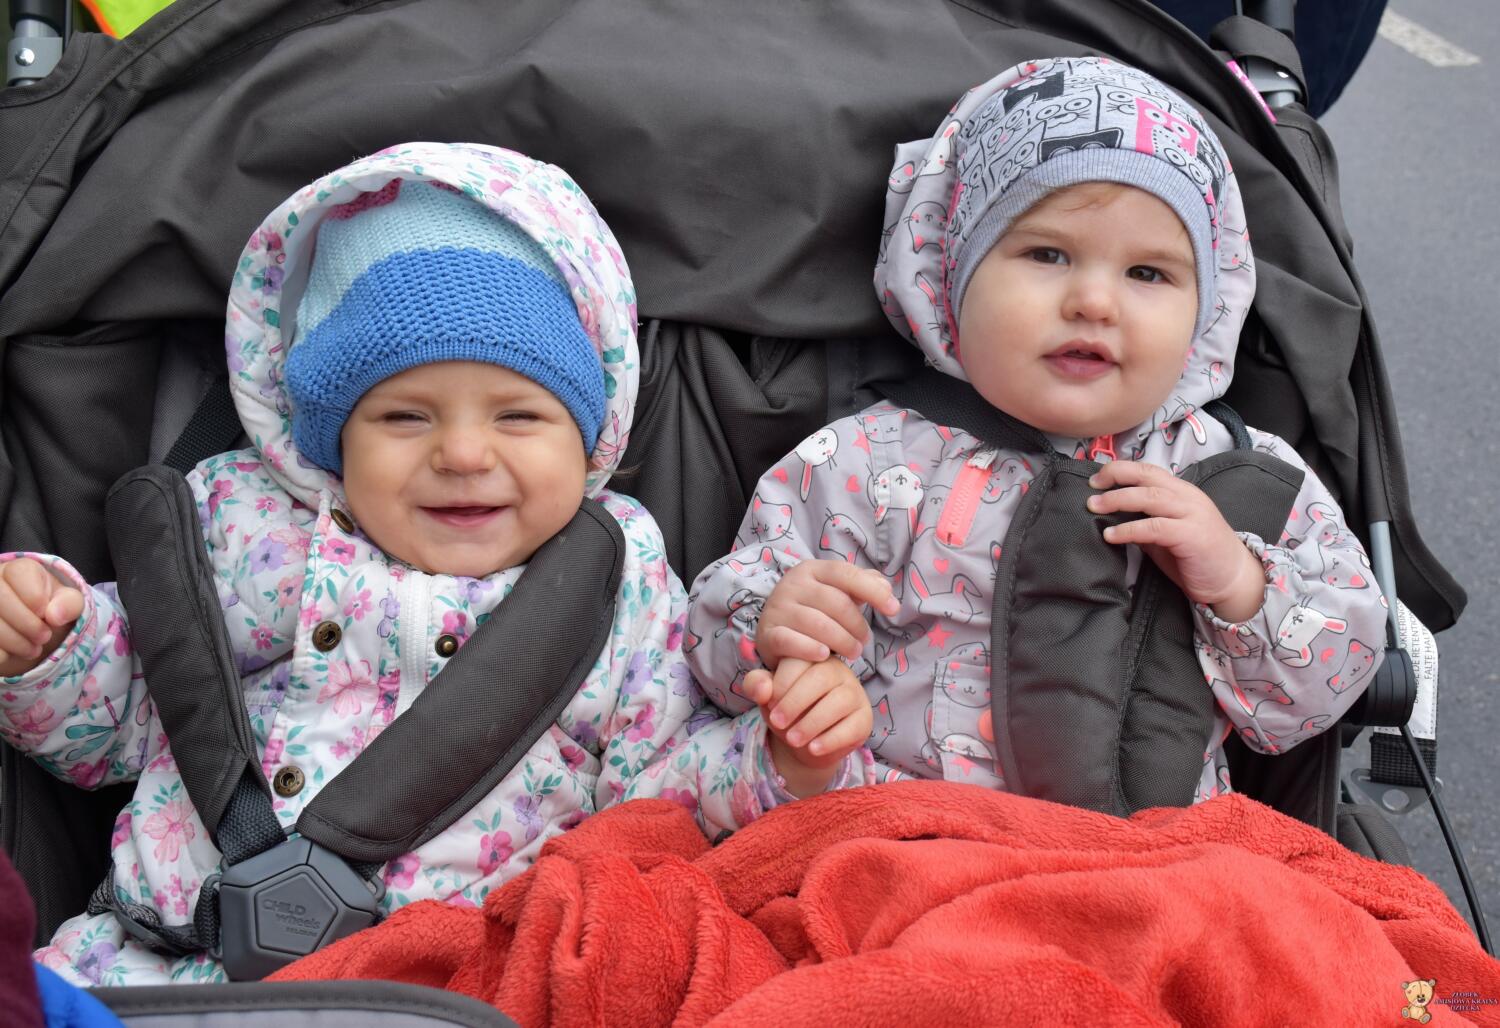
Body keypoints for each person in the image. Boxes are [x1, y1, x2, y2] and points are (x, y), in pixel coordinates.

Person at [0, 142, 703, 984]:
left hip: (451, 985)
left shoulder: (619, 581)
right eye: (406, 417)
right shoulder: (242, 527)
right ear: (333, 440)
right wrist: (48, 647)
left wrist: (783, 761)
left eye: (517, 416)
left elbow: (663, 786)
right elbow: (117, 723)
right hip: (161, 961)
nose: (464, 454)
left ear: (587, 436)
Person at [645, 56, 1387, 828]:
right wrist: (773, 631)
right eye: (1047, 254)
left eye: (1147, 273)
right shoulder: (865, 463)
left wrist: (1237, 582)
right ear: (952, 277)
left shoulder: (1238, 478)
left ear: (1206, 309)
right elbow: (710, 650)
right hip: (905, 839)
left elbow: (1325, 693)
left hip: (1149, 856)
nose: (1094, 301)